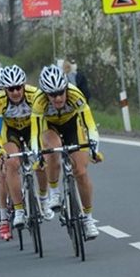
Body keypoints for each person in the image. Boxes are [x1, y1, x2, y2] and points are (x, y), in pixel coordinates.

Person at [31, 65, 103, 239]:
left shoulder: (75, 95)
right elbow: (35, 132)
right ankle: (54, 193)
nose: (58, 98)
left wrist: (94, 149)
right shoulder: (39, 101)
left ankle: (88, 219)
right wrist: (38, 154)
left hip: (72, 126)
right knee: (53, 148)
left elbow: (90, 125)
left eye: (61, 92)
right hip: (50, 128)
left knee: (81, 172)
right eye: (52, 94)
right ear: (45, 94)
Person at [0, 65, 54, 229]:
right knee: (11, 164)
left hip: (32, 129)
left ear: (24, 85)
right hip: (11, 132)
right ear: (5, 89)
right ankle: (19, 209)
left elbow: (46, 121)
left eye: (19, 87)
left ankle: (43, 198)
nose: (16, 92)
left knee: (41, 160)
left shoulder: (35, 95)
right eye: (11, 89)